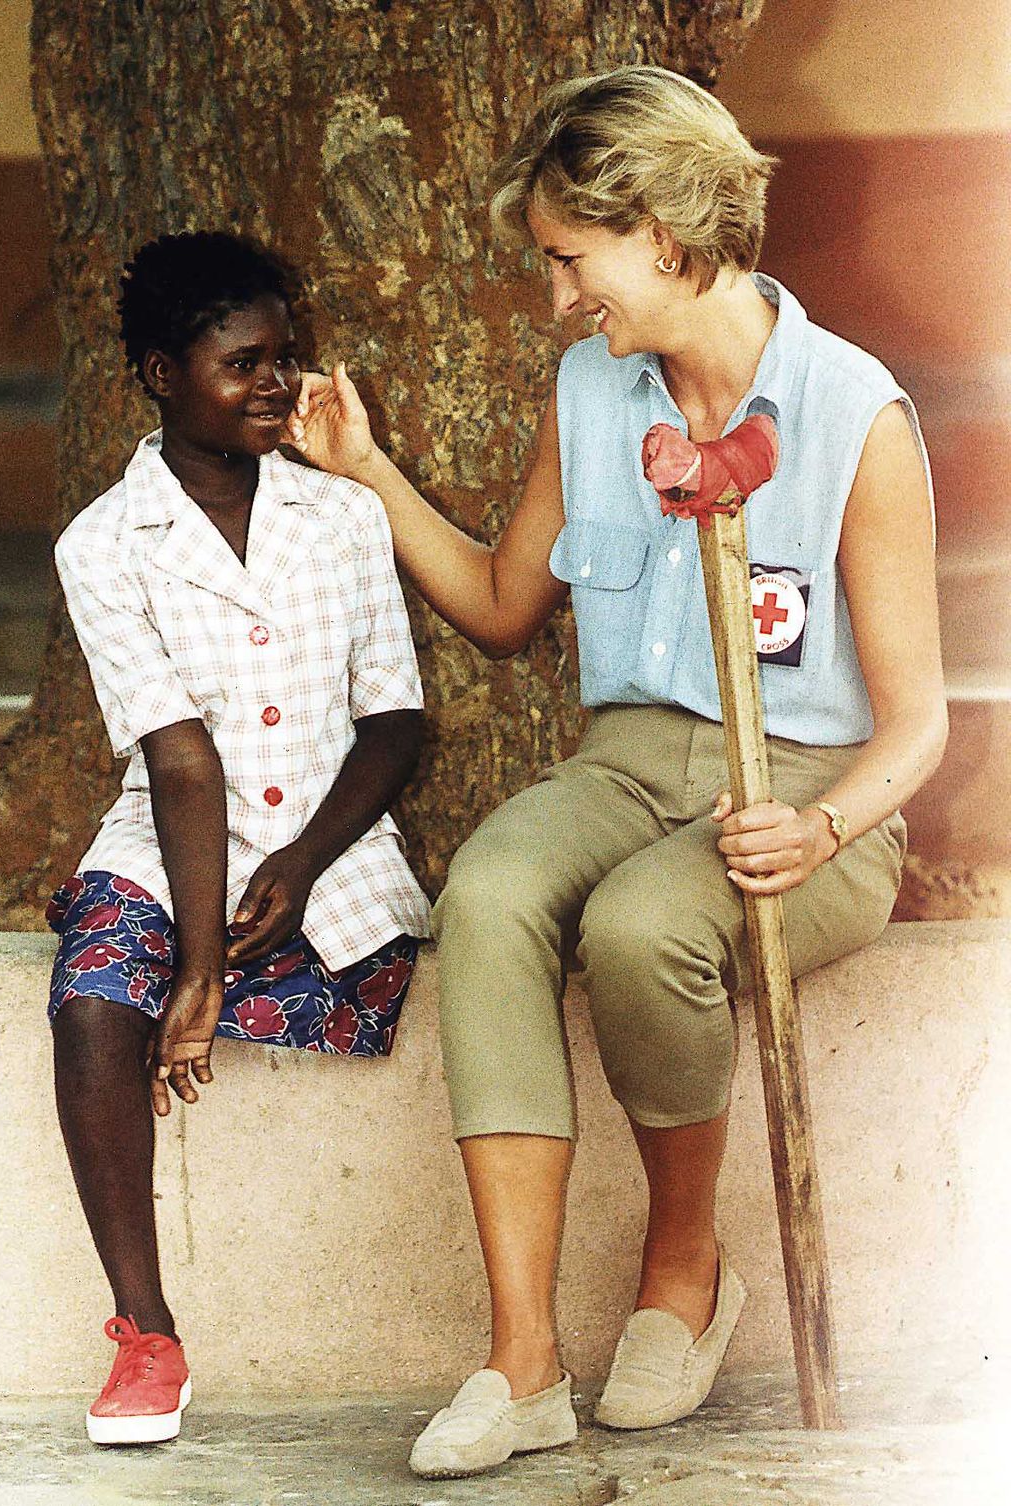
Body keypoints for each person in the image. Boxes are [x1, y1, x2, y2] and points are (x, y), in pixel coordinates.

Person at [288, 66, 947, 1480]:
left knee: (649, 924)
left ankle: (685, 1274)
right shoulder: (590, 389)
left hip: (814, 791)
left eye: (568, 262)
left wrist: (821, 827)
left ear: (668, 233)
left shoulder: (854, 413)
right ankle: (521, 1360)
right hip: (629, 760)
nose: (557, 298)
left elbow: (919, 727)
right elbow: (505, 604)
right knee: (496, 881)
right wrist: (366, 472)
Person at [49, 230, 429, 1445]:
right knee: (99, 996)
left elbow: (395, 724)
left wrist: (304, 860)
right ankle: (146, 1339)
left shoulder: (344, 518)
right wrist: (198, 963)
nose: (277, 384)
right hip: (171, 834)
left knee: (340, 966)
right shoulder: (103, 546)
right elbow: (178, 759)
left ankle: (245, 945)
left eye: (285, 358)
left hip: (328, 843)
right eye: (242, 363)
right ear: (163, 374)